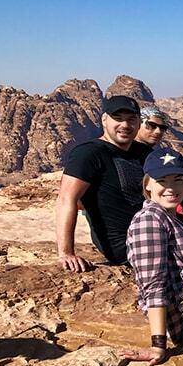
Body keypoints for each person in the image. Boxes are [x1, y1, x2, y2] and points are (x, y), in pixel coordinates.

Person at [120, 149, 183, 365]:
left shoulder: (175, 217)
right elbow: (154, 283)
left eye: (178, 180)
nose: (171, 188)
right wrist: (158, 345)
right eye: (162, 181)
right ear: (148, 185)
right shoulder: (149, 220)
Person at [56, 95, 146, 271]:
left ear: (138, 123)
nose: (125, 125)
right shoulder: (88, 153)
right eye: (118, 118)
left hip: (151, 232)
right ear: (104, 120)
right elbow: (66, 199)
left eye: (131, 119)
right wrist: (66, 253)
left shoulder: (143, 152)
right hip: (125, 246)